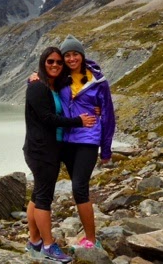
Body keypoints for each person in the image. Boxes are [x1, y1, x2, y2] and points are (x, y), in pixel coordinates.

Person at [23, 46, 97, 262]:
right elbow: (47, 118)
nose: (55, 65)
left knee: (38, 194)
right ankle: (48, 246)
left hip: (48, 148)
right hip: (41, 150)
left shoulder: (54, 85)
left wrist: (96, 108)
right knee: (44, 198)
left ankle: (34, 241)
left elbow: (82, 86)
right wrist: (78, 121)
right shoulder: (38, 86)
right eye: (50, 61)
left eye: (58, 62)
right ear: (43, 63)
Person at [58, 35, 116, 251]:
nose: (71, 59)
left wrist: (106, 149)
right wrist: (33, 78)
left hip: (88, 138)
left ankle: (92, 239)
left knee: (79, 187)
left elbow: (108, 115)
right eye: (67, 55)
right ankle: (86, 234)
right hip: (66, 140)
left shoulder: (98, 81)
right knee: (78, 189)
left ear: (82, 55)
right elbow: (44, 89)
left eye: (75, 54)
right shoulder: (60, 77)